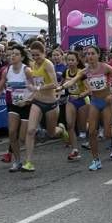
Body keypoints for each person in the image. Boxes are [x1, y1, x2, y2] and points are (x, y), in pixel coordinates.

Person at [60, 45, 112, 171]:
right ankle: (96, 160)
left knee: (106, 134)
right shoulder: (84, 70)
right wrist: (61, 87)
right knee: (92, 132)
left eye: (92, 53)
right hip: (95, 102)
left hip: (107, 102)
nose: (90, 56)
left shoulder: (105, 67)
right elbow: (72, 81)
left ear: (98, 55)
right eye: (87, 54)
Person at [21, 41, 67, 172]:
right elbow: (32, 83)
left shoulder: (48, 64)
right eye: (33, 55)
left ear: (44, 53)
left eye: (38, 55)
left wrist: (38, 87)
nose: (35, 58)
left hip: (51, 103)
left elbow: (54, 84)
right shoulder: (33, 64)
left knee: (52, 132)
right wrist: (29, 95)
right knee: (30, 131)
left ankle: (62, 130)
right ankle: (28, 162)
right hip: (37, 101)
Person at [0, 45, 33, 172]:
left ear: (22, 57)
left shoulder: (27, 70)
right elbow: (0, 88)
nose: (12, 56)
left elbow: (35, 90)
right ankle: (17, 161)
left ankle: (26, 159)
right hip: (13, 104)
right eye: (11, 54)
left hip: (26, 105)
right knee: (12, 132)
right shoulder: (6, 70)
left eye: (16, 54)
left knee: (21, 137)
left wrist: (27, 100)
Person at [60, 51, 89, 161]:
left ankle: (92, 135)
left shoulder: (81, 73)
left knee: (82, 127)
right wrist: (58, 91)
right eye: (69, 60)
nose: (71, 62)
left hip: (82, 100)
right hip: (71, 100)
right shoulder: (66, 72)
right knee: (70, 125)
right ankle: (75, 150)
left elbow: (89, 90)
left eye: (73, 60)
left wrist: (81, 95)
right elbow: (61, 85)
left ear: (77, 62)